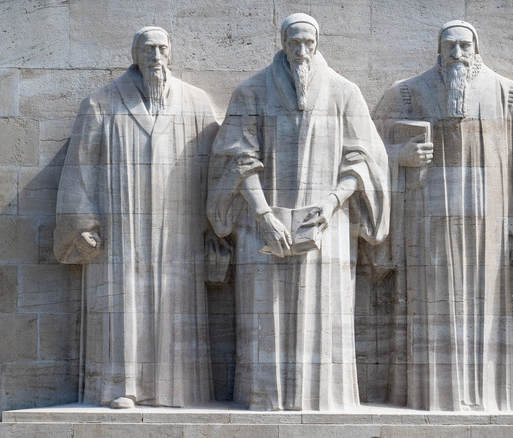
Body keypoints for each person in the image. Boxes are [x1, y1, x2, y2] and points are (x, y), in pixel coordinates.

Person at [206, 13, 390, 411]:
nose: (301, 50)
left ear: (318, 43)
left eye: (308, 42)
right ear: (283, 43)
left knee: (324, 318)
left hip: (327, 226)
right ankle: (266, 399)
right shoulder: (251, 91)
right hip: (262, 226)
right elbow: (236, 157)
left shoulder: (344, 92)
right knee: (265, 317)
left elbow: (363, 160)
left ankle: (325, 400)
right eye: (294, 42)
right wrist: (264, 215)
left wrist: (332, 203)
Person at [372, 20, 513, 411]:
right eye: (450, 47)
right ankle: (434, 396)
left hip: (492, 226)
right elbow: (365, 148)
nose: (458, 54)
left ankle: (492, 397)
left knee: (492, 304)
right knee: (432, 303)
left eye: (465, 46)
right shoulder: (407, 93)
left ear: (476, 49)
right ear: (439, 52)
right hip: (427, 224)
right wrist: (399, 157)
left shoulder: (510, 95)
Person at [54, 26, 217, 409]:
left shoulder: (195, 103)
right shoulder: (102, 103)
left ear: (171, 54)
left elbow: (216, 166)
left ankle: (175, 388)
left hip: (180, 227)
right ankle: (120, 387)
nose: (156, 56)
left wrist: (216, 228)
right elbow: (81, 167)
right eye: (148, 49)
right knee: (122, 302)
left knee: (175, 300)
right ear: (135, 55)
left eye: (162, 49)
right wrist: (83, 226)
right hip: (120, 228)